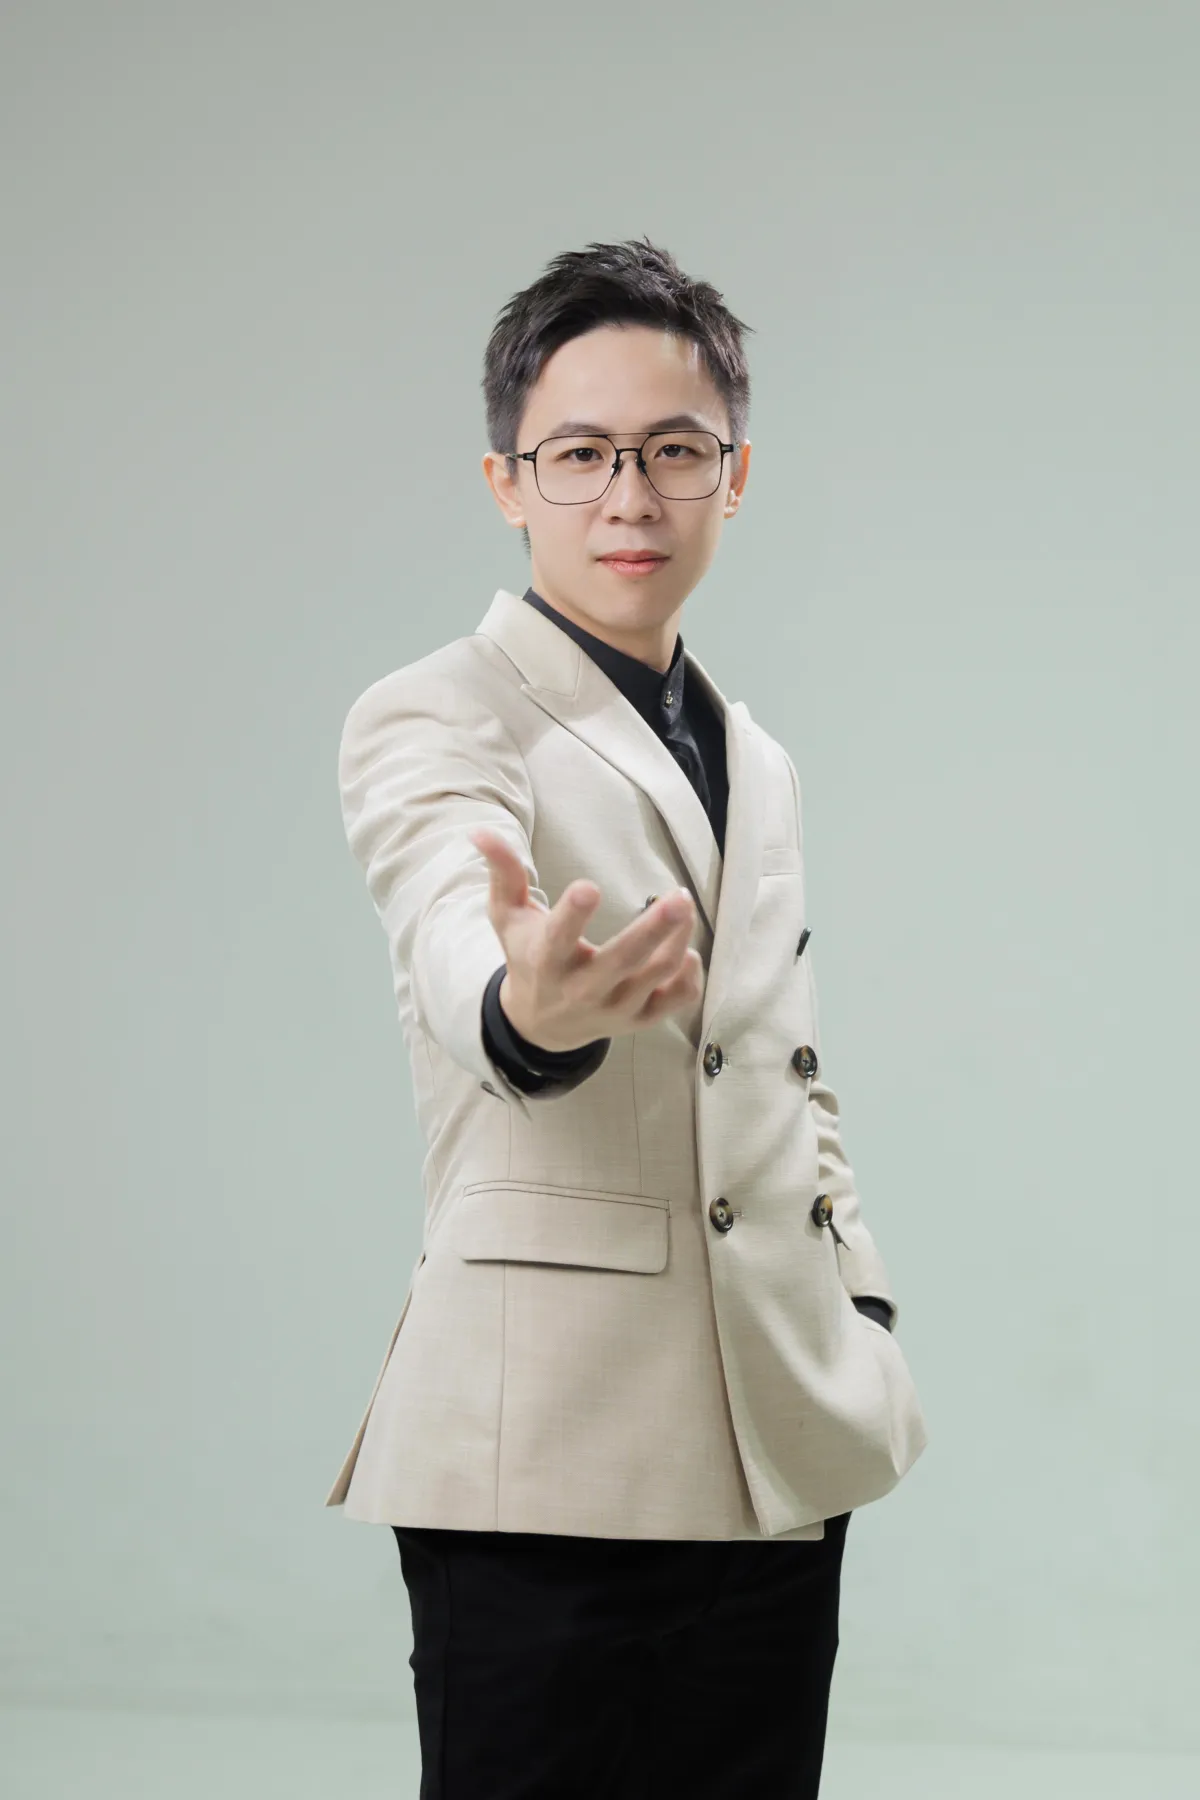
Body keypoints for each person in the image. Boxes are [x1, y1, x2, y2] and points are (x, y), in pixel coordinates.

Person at [327, 235, 929, 1799]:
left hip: (774, 1433)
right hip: (543, 1447)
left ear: (736, 476)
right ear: (506, 481)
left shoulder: (756, 754)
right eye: (580, 454)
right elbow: (447, 916)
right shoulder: (437, 710)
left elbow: (785, 1062)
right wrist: (527, 1007)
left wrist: (858, 1301)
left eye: (674, 452)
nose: (630, 497)